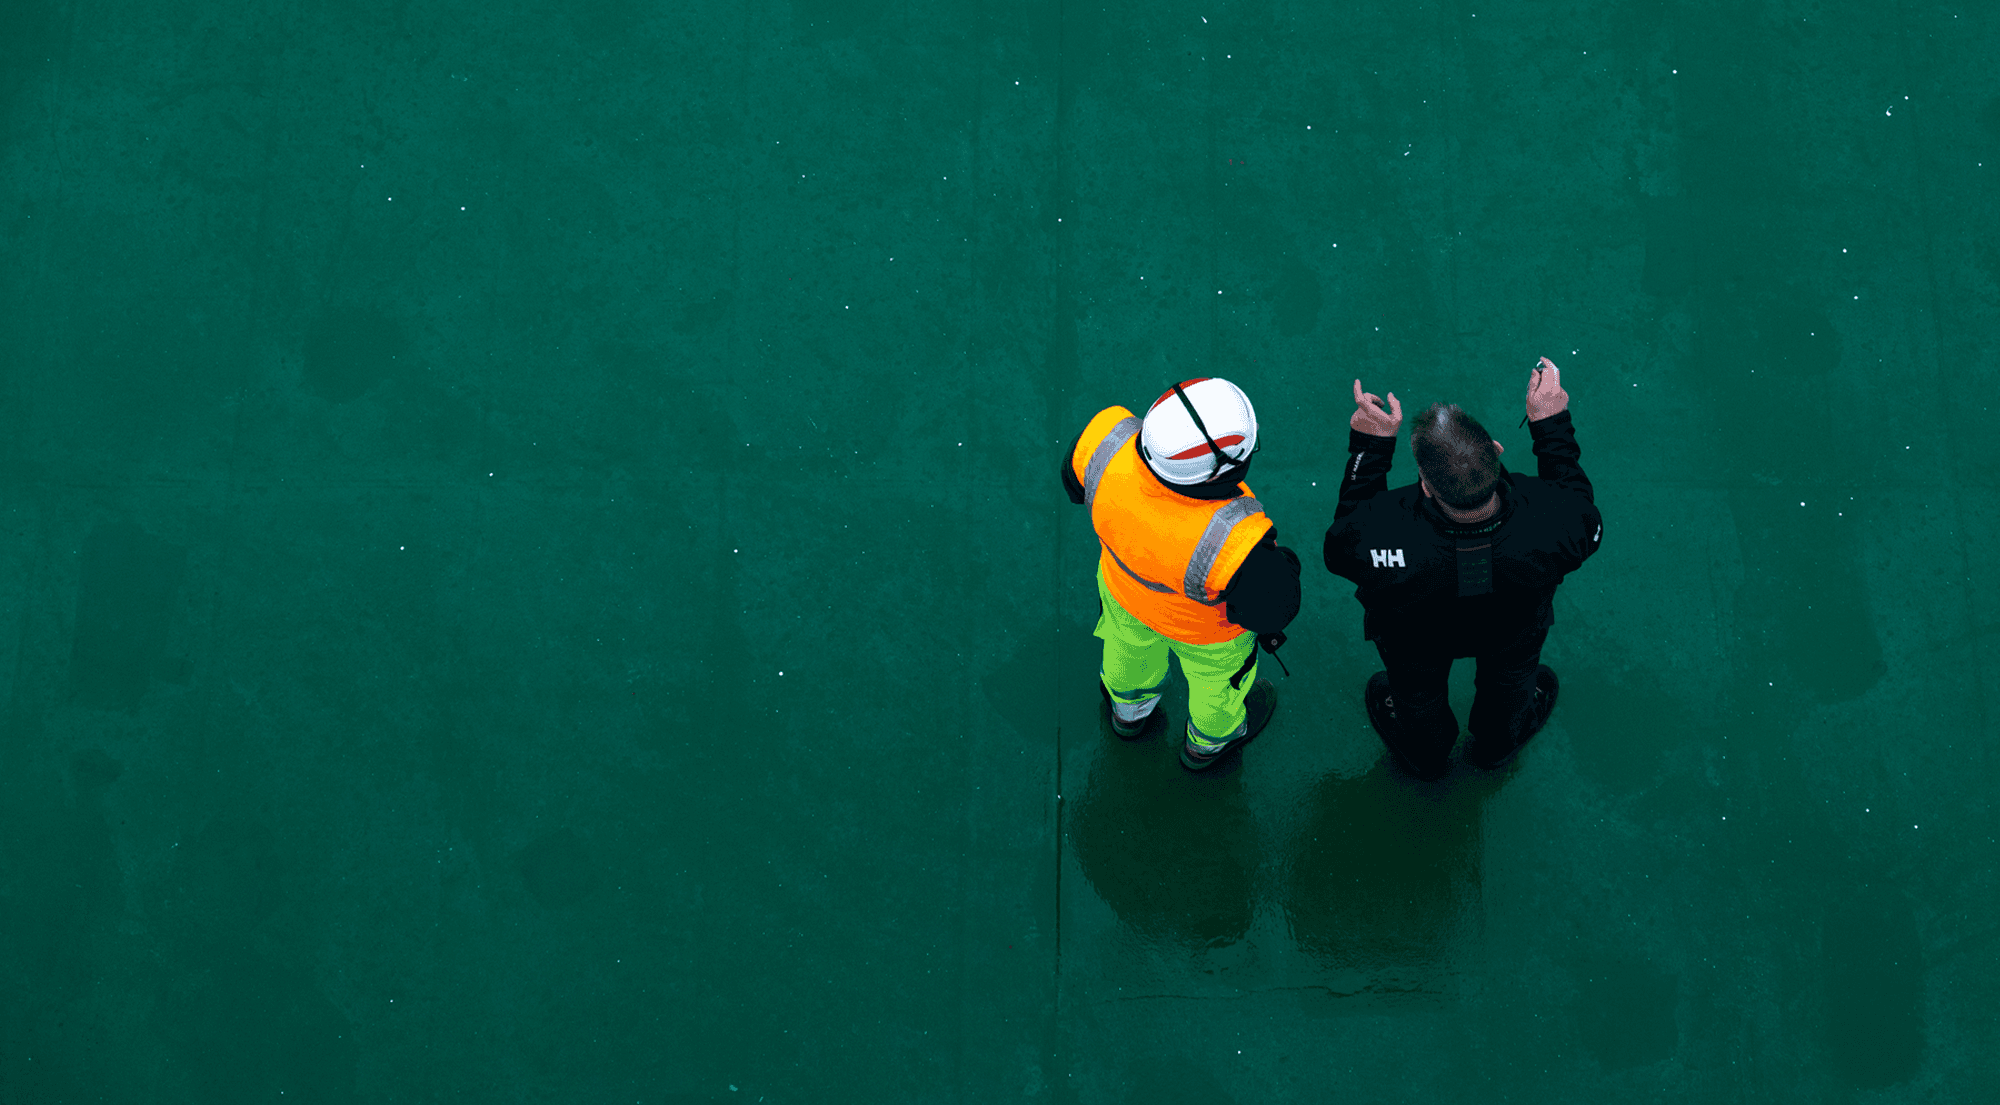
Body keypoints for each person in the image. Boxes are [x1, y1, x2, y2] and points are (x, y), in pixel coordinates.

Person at [1322, 359, 1601, 779]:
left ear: (1426, 484)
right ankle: (1497, 744)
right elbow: (1582, 511)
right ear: (1496, 451)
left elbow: (1342, 547)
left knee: (1416, 696)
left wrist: (1371, 446)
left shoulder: (1381, 528)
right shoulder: (1556, 518)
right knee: (1511, 685)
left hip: (1413, 638)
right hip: (1514, 629)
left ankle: (1426, 754)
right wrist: (1550, 421)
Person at [1062, 378, 1303, 771]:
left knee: (1127, 655)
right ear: (1222, 470)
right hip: (1207, 638)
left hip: (1124, 597)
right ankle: (1208, 745)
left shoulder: (1105, 437)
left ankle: (1129, 714)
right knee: (1217, 691)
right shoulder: (1236, 541)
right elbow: (1274, 609)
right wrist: (1283, 562)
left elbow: (1074, 483)